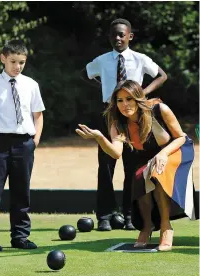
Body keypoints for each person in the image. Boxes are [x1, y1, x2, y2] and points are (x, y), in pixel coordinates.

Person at [76, 80, 198, 251]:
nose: (125, 104)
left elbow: (181, 137)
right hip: (149, 156)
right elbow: (116, 153)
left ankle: (165, 226)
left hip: (175, 150)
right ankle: (146, 227)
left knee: (157, 172)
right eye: (120, 100)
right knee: (139, 178)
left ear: (138, 98)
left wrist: (163, 154)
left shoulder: (158, 109)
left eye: (129, 99)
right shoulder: (117, 122)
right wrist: (99, 138)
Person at [81, 18, 167, 231]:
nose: (118, 38)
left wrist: (141, 95)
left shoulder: (139, 59)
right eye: (114, 35)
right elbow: (85, 74)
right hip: (109, 114)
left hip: (132, 117)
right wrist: (104, 89)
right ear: (109, 37)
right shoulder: (101, 60)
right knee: (106, 167)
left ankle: (130, 215)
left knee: (132, 167)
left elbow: (162, 75)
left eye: (122, 34)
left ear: (130, 36)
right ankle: (105, 216)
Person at [0, 40, 45, 251]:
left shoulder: (31, 84)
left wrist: (34, 141)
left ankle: (20, 236)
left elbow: (38, 115)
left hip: (24, 143)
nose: (17, 66)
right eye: (13, 61)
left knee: (21, 192)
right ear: (3, 58)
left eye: (22, 62)